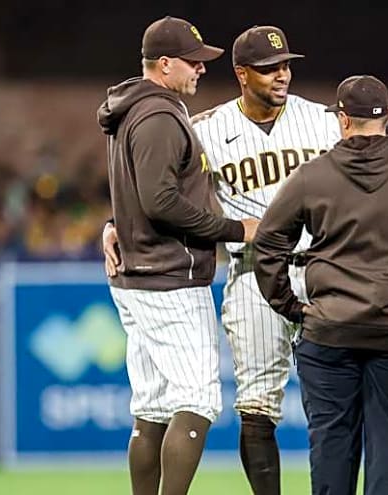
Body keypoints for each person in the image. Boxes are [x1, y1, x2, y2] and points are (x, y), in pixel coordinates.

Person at [103, 24, 341, 495]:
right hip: (253, 271)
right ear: (241, 73)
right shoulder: (203, 128)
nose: (282, 75)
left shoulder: (325, 121)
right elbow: (157, 182)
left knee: (333, 404)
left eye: (286, 65)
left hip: (323, 271)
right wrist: (115, 222)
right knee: (254, 406)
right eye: (270, 68)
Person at [253, 75, 388, 495]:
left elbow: (267, 242)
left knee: (332, 444)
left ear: (341, 119)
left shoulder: (311, 176)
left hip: (330, 330)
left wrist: (289, 305)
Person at [97, 16, 257, 495]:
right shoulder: (160, 116)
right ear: (164, 64)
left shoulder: (132, 109)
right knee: (197, 399)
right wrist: (234, 230)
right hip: (169, 275)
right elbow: (159, 200)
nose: (201, 69)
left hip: (137, 272)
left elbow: (138, 193)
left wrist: (113, 224)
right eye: (192, 61)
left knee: (151, 406)